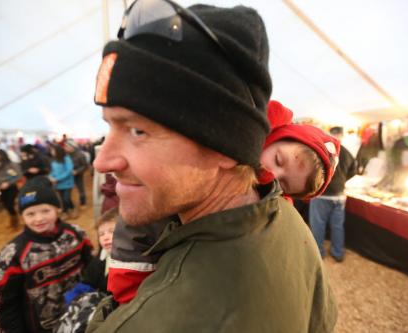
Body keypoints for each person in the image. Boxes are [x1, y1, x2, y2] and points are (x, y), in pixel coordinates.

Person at [87, 2, 337, 332]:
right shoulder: (283, 219)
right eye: (110, 127)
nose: (102, 161)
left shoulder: (162, 319)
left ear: (225, 148)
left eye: (138, 131)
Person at [105, 99, 341, 306]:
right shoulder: (218, 145)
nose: (272, 174)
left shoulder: (264, 207)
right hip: (139, 251)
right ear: (271, 134)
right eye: (278, 159)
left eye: (285, 184)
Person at [0, 176, 93, 332]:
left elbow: (91, 265)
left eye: (46, 211)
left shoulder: (75, 234)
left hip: (79, 317)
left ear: (58, 209)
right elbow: (1, 302)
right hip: (39, 327)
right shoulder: (14, 253)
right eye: (30, 214)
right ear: (22, 217)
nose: (39, 218)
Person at [55, 207, 118, 333]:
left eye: (112, 231)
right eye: (101, 234)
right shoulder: (100, 261)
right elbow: (88, 282)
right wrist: (73, 297)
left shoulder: (133, 262)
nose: (106, 237)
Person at [310, 126, 357, 262]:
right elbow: (353, 171)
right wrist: (342, 180)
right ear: (342, 135)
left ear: (330, 134)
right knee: (337, 226)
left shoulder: (323, 149)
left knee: (318, 224)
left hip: (322, 194)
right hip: (340, 195)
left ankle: (319, 253)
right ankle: (338, 253)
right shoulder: (347, 153)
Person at [0, 149, 23, 228]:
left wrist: (8, 183)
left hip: (12, 188)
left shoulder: (11, 164)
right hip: (1, 189)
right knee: (6, 205)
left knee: (10, 205)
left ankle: (15, 221)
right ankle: (13, 219)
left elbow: (19, 175)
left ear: (1, 155)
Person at [49, 144, 77, 219]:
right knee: (61, 199)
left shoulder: (66, 158)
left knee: (66, 198)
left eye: (53, 150)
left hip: (67, 183)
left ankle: (72, 208)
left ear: (57, 151)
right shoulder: (53, 159)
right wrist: (50, 177)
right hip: (58, 184)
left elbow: (68, 171)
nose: (51, 152)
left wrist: (57, 178)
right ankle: (65, 212)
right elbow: (52, 171)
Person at [65, 140, 89, 209]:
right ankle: (70, 205)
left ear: (72, 147)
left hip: (78, 175)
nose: (65, 148)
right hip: (68, 176)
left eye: (67, 146)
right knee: (68, 191)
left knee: (80, 188)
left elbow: (85, 166)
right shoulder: (66, 155)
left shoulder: (80, 155)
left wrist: (77, 171)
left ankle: (83, 202)